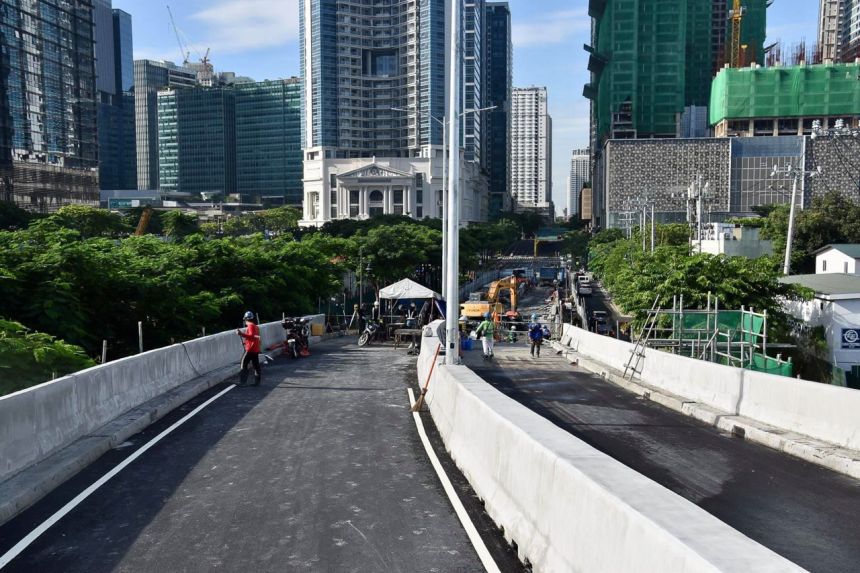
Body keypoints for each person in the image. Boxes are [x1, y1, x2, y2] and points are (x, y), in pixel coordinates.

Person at [236, 311, 262, 386]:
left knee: (243, 364)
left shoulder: (250, 326)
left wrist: (241, 334)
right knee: (256, 365)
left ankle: (242, 382)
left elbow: (251, 335)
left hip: (250, 349)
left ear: (245, 319)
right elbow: (255, 337)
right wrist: (245, 342)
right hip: (255, 349)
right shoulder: (256, 327)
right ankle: (257, 382)